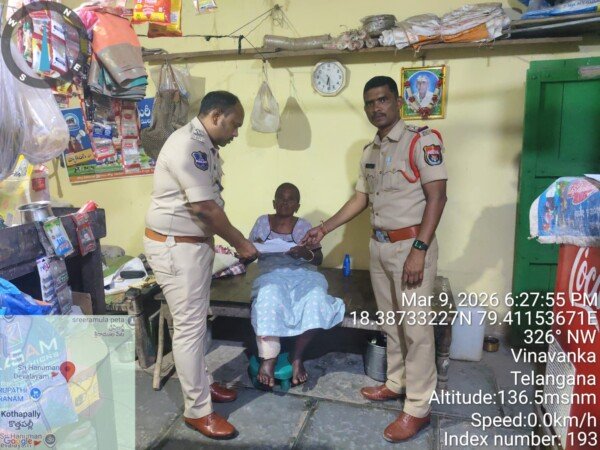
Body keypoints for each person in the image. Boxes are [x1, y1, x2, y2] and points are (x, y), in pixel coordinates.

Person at [302, 76, 447, 443]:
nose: (376, 107)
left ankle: (418, 408)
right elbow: (360, 199)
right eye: (370, 102)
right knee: (392, 323)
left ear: (398, 102)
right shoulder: (371, 150)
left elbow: (437, 197)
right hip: (379, 246)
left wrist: (419, 250)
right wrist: (324, 228)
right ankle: (396, 382)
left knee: (416, 330)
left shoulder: (420, 141)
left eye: (382, 100)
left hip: (411, 247)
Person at [143, 91, 258, 440]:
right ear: (216, 115)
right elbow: (204, 208)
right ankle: (198, 411)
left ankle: (203, 384)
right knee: (189, 329)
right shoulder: (189, 146)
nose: (235, 133)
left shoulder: (204, 144)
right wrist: (241, 243)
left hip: (191, 245)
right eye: (234, 125)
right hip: (176, 248)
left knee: (196, 322)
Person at [249, 183, 345, 387]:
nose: (285, 203)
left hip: (303, 273)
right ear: (274, 202)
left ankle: (297, 356)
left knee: (316, 299)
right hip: (272, 273)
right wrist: (252, 251)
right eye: (281, 198)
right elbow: (249, 252)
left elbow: (318, 259)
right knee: (269, 296)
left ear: (297, 205)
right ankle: (269, 358)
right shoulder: (261, 222)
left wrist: (304, 253)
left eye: (290, 199)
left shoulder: (304, 225)